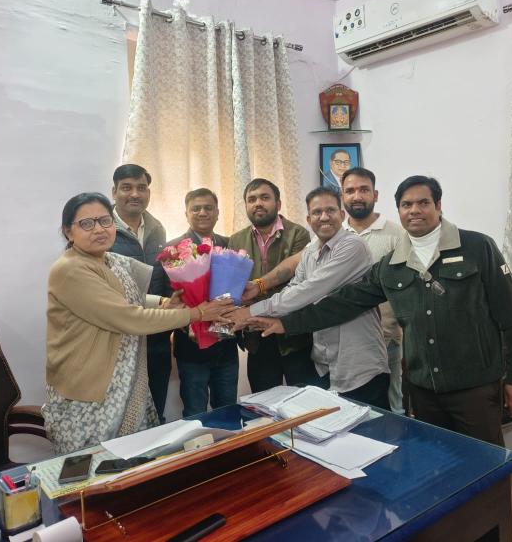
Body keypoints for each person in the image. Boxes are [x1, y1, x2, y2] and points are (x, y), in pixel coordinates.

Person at [247, 176, 512, 445]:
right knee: (435, 464)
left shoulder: (477, 247)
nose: (414, 210)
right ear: (398, 210)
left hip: (474, 387)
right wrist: (286, 323)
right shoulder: (391, 265)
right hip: (422, 390)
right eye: (406, 205)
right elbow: (343, 303)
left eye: (423, 203)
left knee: (486, 467)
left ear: (438, 205)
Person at [43, 192, 231, 454]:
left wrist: (163, 303)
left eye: (105, 221)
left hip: (123, 379)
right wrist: (196, 313)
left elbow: (131, 296)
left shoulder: (111, 260)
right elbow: (128, 317)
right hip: (90, 389)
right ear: (68, 231)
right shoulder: (70, 269)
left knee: (131, 460)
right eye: (87, 223)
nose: (99, 229)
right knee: (96, 466)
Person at [228, 187, 390, 409]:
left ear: (342, 215)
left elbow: (309, 291)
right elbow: (294, 287)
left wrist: (249, 312)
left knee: (371, 427)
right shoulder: (312, 250)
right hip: (325, 362)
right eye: (316, 212)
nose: (324, 217)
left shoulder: (353, 246)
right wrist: (259, 314)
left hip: (359, 364)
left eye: (330, 210)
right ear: (308, 219)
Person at [227, 178, 316, 392]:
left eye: (264, 197)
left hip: (294, 334)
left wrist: (257, 294)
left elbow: (297, 281)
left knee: (305, 400)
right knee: (263, 401)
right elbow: (235, 286)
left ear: (278, 203)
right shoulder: (236, 240)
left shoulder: (298, 234)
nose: (258, 203)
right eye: (252, 199)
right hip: (257, 337)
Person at [161, 188, 237, 417]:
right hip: (191, 349)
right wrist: (190, 324)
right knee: (195, 413)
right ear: (186, 214)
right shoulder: (171, 250)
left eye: (208, 208)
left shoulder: (230, 245)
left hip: (226, 346)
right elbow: (166, 297)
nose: (203, 212)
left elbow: (239, 288)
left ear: (217, 213)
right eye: (196, 208)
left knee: (228, 409)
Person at [339, 167, 405, 414]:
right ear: (342, 196)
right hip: (344, 345)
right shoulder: (333, 235)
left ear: (375, 195)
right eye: (350, 191)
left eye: (364, 190)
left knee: (393, 408)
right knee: (350, 412)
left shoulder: (397, 235)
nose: (357, 196)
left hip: (388, 341)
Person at [109, 164, 171, 422]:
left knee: (156, 410)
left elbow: (164, 276)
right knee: (121, 418)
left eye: (141, 188)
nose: (135, 194)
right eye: (127, 187)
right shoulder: (103, 231)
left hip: (157, 338)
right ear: (114, 192)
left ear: (149, 193)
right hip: (120, 341)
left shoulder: (157, 229)